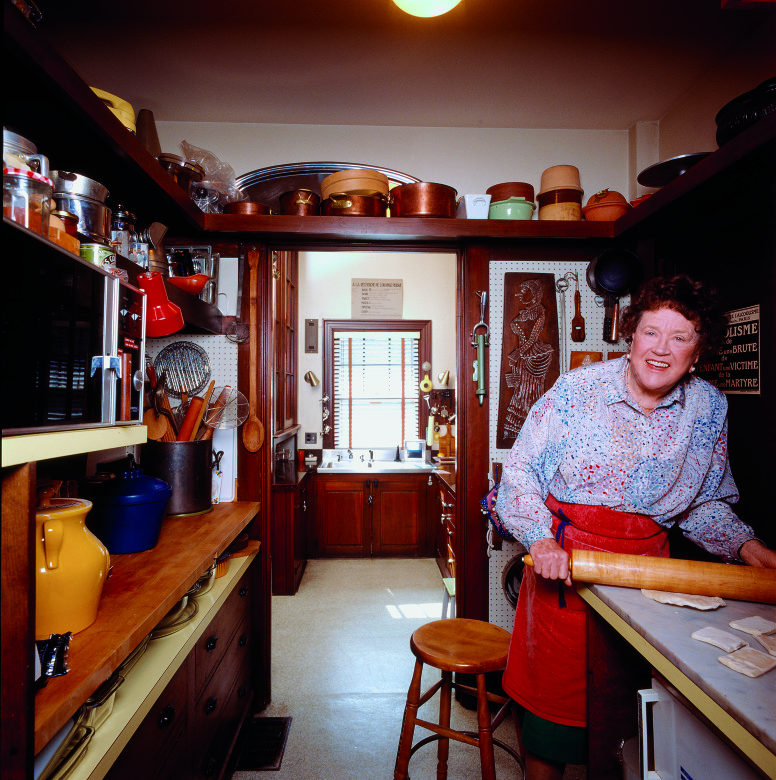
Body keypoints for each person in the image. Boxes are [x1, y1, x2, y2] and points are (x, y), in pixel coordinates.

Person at [495, 274, 776, 780]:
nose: (661, 350)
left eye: (680, 337)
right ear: (630, 334)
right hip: (568, 569)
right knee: (551, 729)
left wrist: (750, 548)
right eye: (651, 332)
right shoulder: (578, 391)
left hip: (648, 582)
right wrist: (540, 538)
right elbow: (519, 475)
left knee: (638, 724)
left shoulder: (709, 408)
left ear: (699, 349)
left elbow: (701, 503)